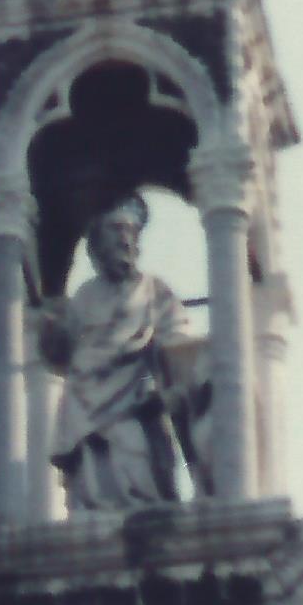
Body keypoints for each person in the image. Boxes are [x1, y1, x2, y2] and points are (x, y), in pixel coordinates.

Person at [39, 196, 200, 512]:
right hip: (85, 399)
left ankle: (141, 508)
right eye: (115, 230)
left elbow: (177, 337)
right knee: (91, 464)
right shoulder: (85, 295)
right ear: (98, 242)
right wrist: (50, 331)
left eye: (130, 231)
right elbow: (60, 351)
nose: (125, 239)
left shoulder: (153, 290)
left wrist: (164, 368)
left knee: (135, 451)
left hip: (134, 396)